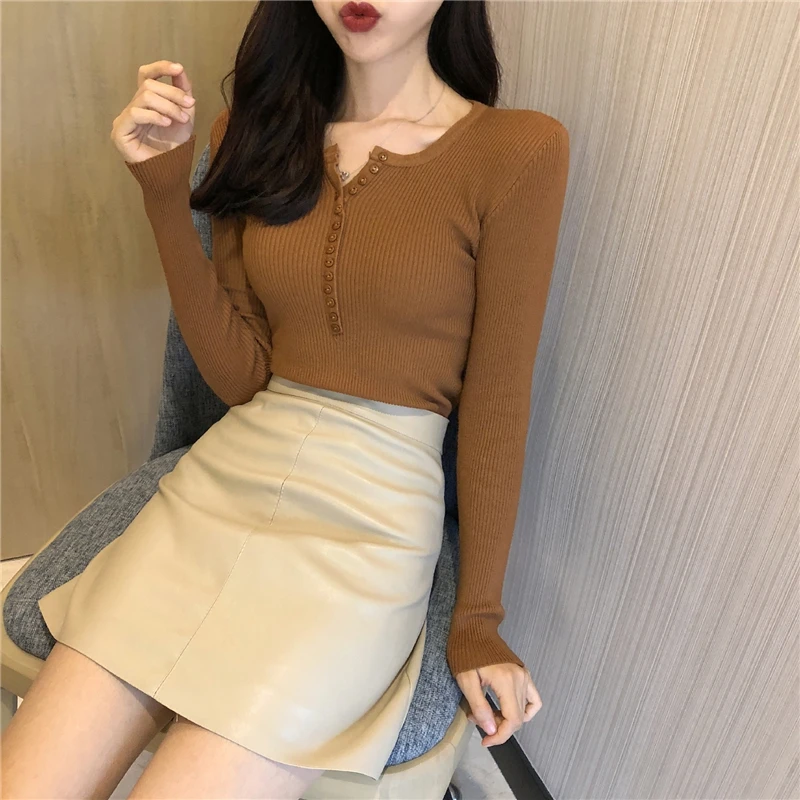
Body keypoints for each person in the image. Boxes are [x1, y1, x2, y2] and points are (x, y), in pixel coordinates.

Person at [0, 1, 569, 797]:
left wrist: (478, 622)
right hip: (224, 483)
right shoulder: (254, 133)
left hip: (371, 522)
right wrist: (164, 192)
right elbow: (242, 378)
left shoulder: (518, 151)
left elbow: (499, 405)